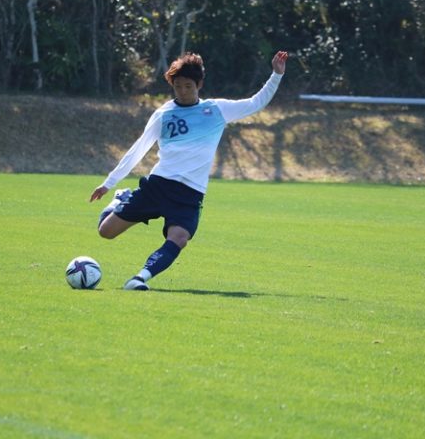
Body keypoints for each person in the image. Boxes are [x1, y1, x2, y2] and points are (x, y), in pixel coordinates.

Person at [90, 50, 289, 290]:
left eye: (188, 86)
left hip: (190, 193)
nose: (183, 92)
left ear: (199, 85)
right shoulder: (164, 114)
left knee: (179, 238)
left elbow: (256, 103)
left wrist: (276, 75)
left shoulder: (216, 110)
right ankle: (121, 198)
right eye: (178, 87)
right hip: (159, 186)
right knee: (106, 232)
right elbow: (139, 148)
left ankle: (139, 279)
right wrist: (109, 183)